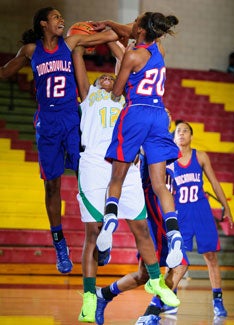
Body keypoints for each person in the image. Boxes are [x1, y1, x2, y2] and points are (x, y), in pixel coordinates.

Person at [0, 7, 120, 274]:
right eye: (55, 17)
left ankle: (103, 236)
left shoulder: (72, 42)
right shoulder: (31, 51)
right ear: (43, 23)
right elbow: (5, 73)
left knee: (89, 179)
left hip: (71, 119)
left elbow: (110, 35)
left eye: (60, 18)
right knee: (51, 187)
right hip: (47, 123)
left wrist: (108, 26)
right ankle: (59, 244)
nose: (61, 21)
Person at [72, 41, 179, 322]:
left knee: (141, 228)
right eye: (102, 77)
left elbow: (126, 60)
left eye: (111, 75)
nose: (107, 78)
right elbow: (77, 58)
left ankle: (155, 280)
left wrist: (112, 38)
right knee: (93, 233)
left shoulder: (125, 98)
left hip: (126, 163)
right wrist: (83, 42)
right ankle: (89, 295)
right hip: (95, 163)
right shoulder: (88, 95)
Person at [96, 12, 185, 282]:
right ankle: (175, 234)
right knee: (160, 185)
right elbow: (131, 30)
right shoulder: (159, 47)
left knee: (117, 177)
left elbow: (116, 92)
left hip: (136, 112)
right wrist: (111, 24)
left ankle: (109, 219)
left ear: (141, 30)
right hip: (159, 115)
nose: (131, 25)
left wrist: (124, 58)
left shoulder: (132, 56)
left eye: (135, 22)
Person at [95, 110, 189, 325]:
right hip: (155, 211)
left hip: (166, 211)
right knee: (181, 264)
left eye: (167, 113)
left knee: (144, 275)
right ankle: (150, 314)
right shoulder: (145, 142)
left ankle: (104, 295)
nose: (164, 114)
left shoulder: (167, 144)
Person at [165, 120, 233, 318]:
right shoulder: (168, 160)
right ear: (174, 136)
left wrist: (226, 207)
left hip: (201, 211)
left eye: (186, 131)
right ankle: (170, 297)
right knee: (175, 259)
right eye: (178, 131)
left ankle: (217, 301)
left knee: (211, 257)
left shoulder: (200, 156)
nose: (182, 133)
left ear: (191, 136)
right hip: (180, 214)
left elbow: (215, 182)